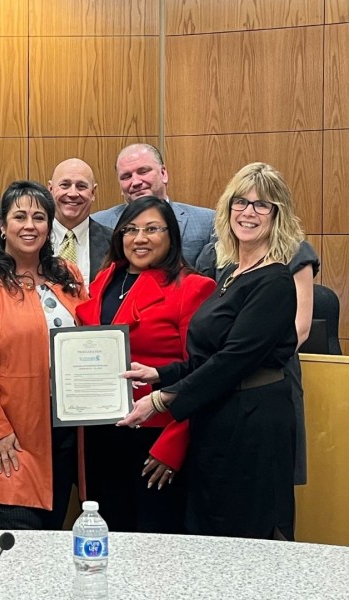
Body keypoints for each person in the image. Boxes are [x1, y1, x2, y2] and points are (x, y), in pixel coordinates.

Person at [119, 162, 303, 540]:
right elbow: (205, 357)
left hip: (253, 426)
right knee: (210, 531)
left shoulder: (275, 280)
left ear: (277, 215)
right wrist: (160, 374)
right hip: (218, 420)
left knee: (245, 535)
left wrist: (161, 399)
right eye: (241, 202)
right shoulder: (231, 273)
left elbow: (232, 361)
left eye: (262, 205)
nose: (248, 212)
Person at [0, 180, 86, 530]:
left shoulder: (68, 275)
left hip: (65, 433)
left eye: (39, 217)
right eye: (19, 216)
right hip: (8, 434)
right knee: (20, 542)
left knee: (52, 536)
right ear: (2, 226)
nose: (30, 225)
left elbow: (89, 341)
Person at [75, 197, 215, 533]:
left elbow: (202, 373)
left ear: (171, 235)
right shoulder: (104, 280)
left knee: (155, 545)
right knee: (106, 536)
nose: (140, 238)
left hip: (156, 437)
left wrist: (173, 445)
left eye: (152, 229)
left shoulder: (193, 287)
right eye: (131, 229)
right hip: (101, 434)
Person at [196, 237, 318, 487]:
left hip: (268, 376)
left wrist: (243, 360)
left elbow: (300, 328)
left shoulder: (293, 250)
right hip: (217, 375)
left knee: (267, 479)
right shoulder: (213, 252)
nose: (248, 217)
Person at [91, 143, 214, 265]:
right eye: (126, 176)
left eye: (143, 172)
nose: (136, 182)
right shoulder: (97, 223)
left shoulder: (208, 221)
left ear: (163, 174)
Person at [47, 158, 112, 288]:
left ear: (93, 193)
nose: (73, 193)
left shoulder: (114, 243)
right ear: (50, 189)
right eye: (65, 185)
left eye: (81, 186)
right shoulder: (33, 239)